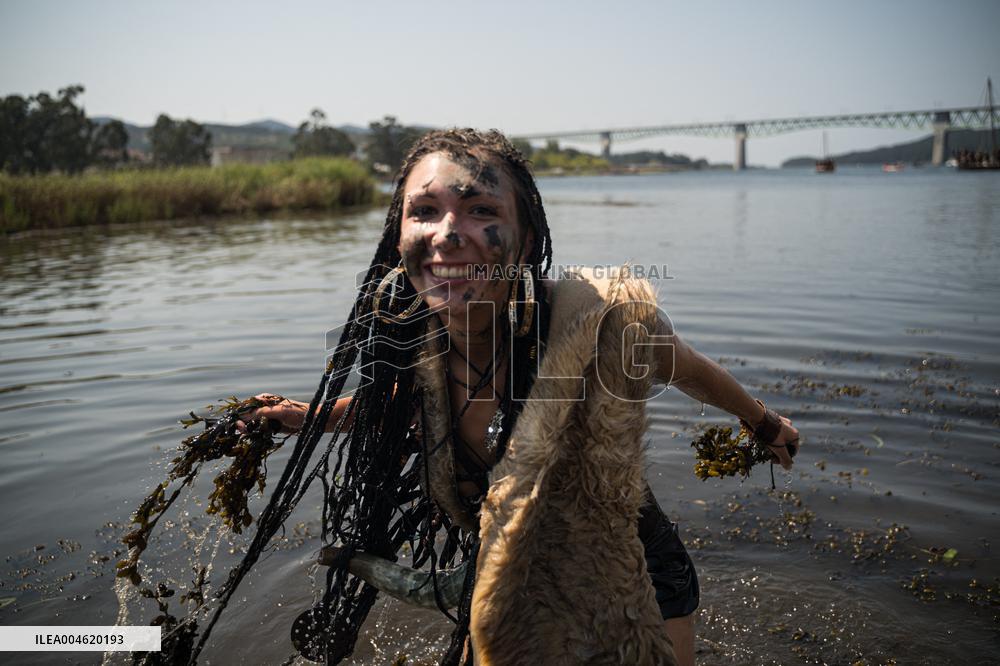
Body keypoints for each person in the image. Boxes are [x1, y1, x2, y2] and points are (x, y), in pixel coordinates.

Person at [244, 129, 800, 666]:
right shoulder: (415, 350)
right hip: (512, 572)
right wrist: (303, 416)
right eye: (425, 211)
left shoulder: (598, 327)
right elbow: (388, 410)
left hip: (636, 573)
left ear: (527, 240)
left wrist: (764, 423)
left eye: (482, 210)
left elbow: (689, 367)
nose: (448, 233)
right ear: (399, 237)